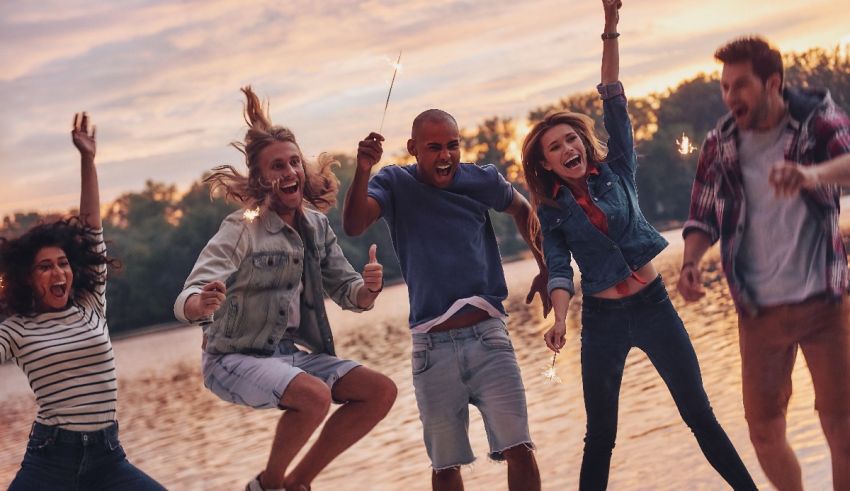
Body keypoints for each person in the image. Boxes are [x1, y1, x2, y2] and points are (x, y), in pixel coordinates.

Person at [519, 2, 757, 489]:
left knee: (700, 416)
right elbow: (560, 270)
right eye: (555, 148)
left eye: (571, 140)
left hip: (654, 306)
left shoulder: (618, 168)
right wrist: (561, 319)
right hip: (603, 322)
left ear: (583, 142)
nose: (567, 149)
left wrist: (610, 27)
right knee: (600, 437)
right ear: (545, 164)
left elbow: (612, 97)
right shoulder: (554, 210)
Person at [174, 87, 397, 491]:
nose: (290, 171)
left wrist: (368, 288)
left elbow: (347, 290)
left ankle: (297, 483)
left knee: (379, 392)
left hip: (288, 358)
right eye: (277, 166)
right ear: (260, 178)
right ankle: (267, 486)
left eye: (295, 161)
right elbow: (187, 294)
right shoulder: (241, 229)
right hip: (230, 357)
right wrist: (199, 304)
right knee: (313, 398)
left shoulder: (315, 225)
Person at [343, 102, 550, 490]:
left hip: (489, 337)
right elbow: (354, 224)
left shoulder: (480, 180)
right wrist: (363, 169)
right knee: (444, 465)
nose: (445, 156)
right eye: (434, 147)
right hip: (431, 349)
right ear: (413, 148)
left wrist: (545, 268)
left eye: (452, 145)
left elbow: (522, 209)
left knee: (519, 446)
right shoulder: (393, 184)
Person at [678, 35, 850, 491]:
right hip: (758, 312)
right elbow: (702, 214)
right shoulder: (720, 143)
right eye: (725, 87)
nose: (731, 97)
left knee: (842, 427)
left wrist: (810, 174)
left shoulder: (817, 120)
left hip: (824, 303)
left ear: (772, 83)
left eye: (741, 85)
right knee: (763, 430)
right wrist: (691, 261)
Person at [0, 113, 165, 490]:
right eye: (45, 267)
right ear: (28, 277)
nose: (58, 273)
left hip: (108, 457)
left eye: (62, 264)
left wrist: (87, 161)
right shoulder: (17, 329)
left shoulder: (91, 304)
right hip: (51, 459)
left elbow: (92, 230)